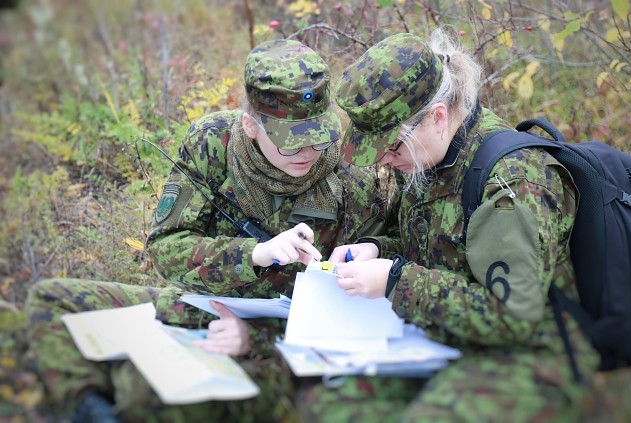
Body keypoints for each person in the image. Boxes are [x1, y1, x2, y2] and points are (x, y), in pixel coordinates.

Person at [26, 38, 391, 423]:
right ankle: (87, 408)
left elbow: (374, 285)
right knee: (53, 299)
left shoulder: (351, 176)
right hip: (195, 306)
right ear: (250, 125)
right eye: (290, 142)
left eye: (318, 136)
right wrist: (253, 254)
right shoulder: (212, 144)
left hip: (285, 338)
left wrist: (258, 339)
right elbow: (167, 246)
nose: (307, 152)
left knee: (144, 391)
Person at [296, 28, 599, 423]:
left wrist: (396, 280)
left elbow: (513, 316)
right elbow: (439, 246)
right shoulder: (429, 153)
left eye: (392, 146)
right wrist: (377, 249)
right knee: (329, 406)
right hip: (442, 338)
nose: (384, 160)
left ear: (437, 117)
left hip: (533, 355)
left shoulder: (512, 179)